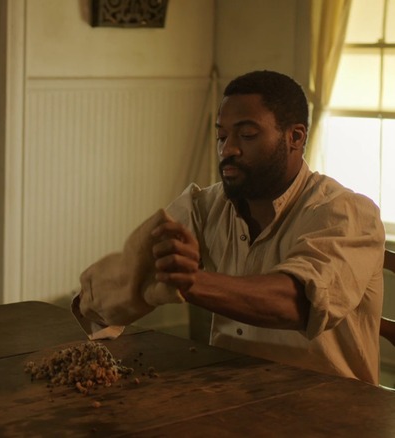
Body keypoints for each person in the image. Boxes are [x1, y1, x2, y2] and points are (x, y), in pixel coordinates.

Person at [76, 70, 385, 385]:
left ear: (295, 137)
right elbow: (128, 279)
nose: (228, 150)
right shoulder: (206, 205)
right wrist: (107, 296)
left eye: (247, 135)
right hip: (229, 397)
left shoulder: (345, 213)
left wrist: (191, 282)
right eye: (222, 136)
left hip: (331, 412)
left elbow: (297, 303)